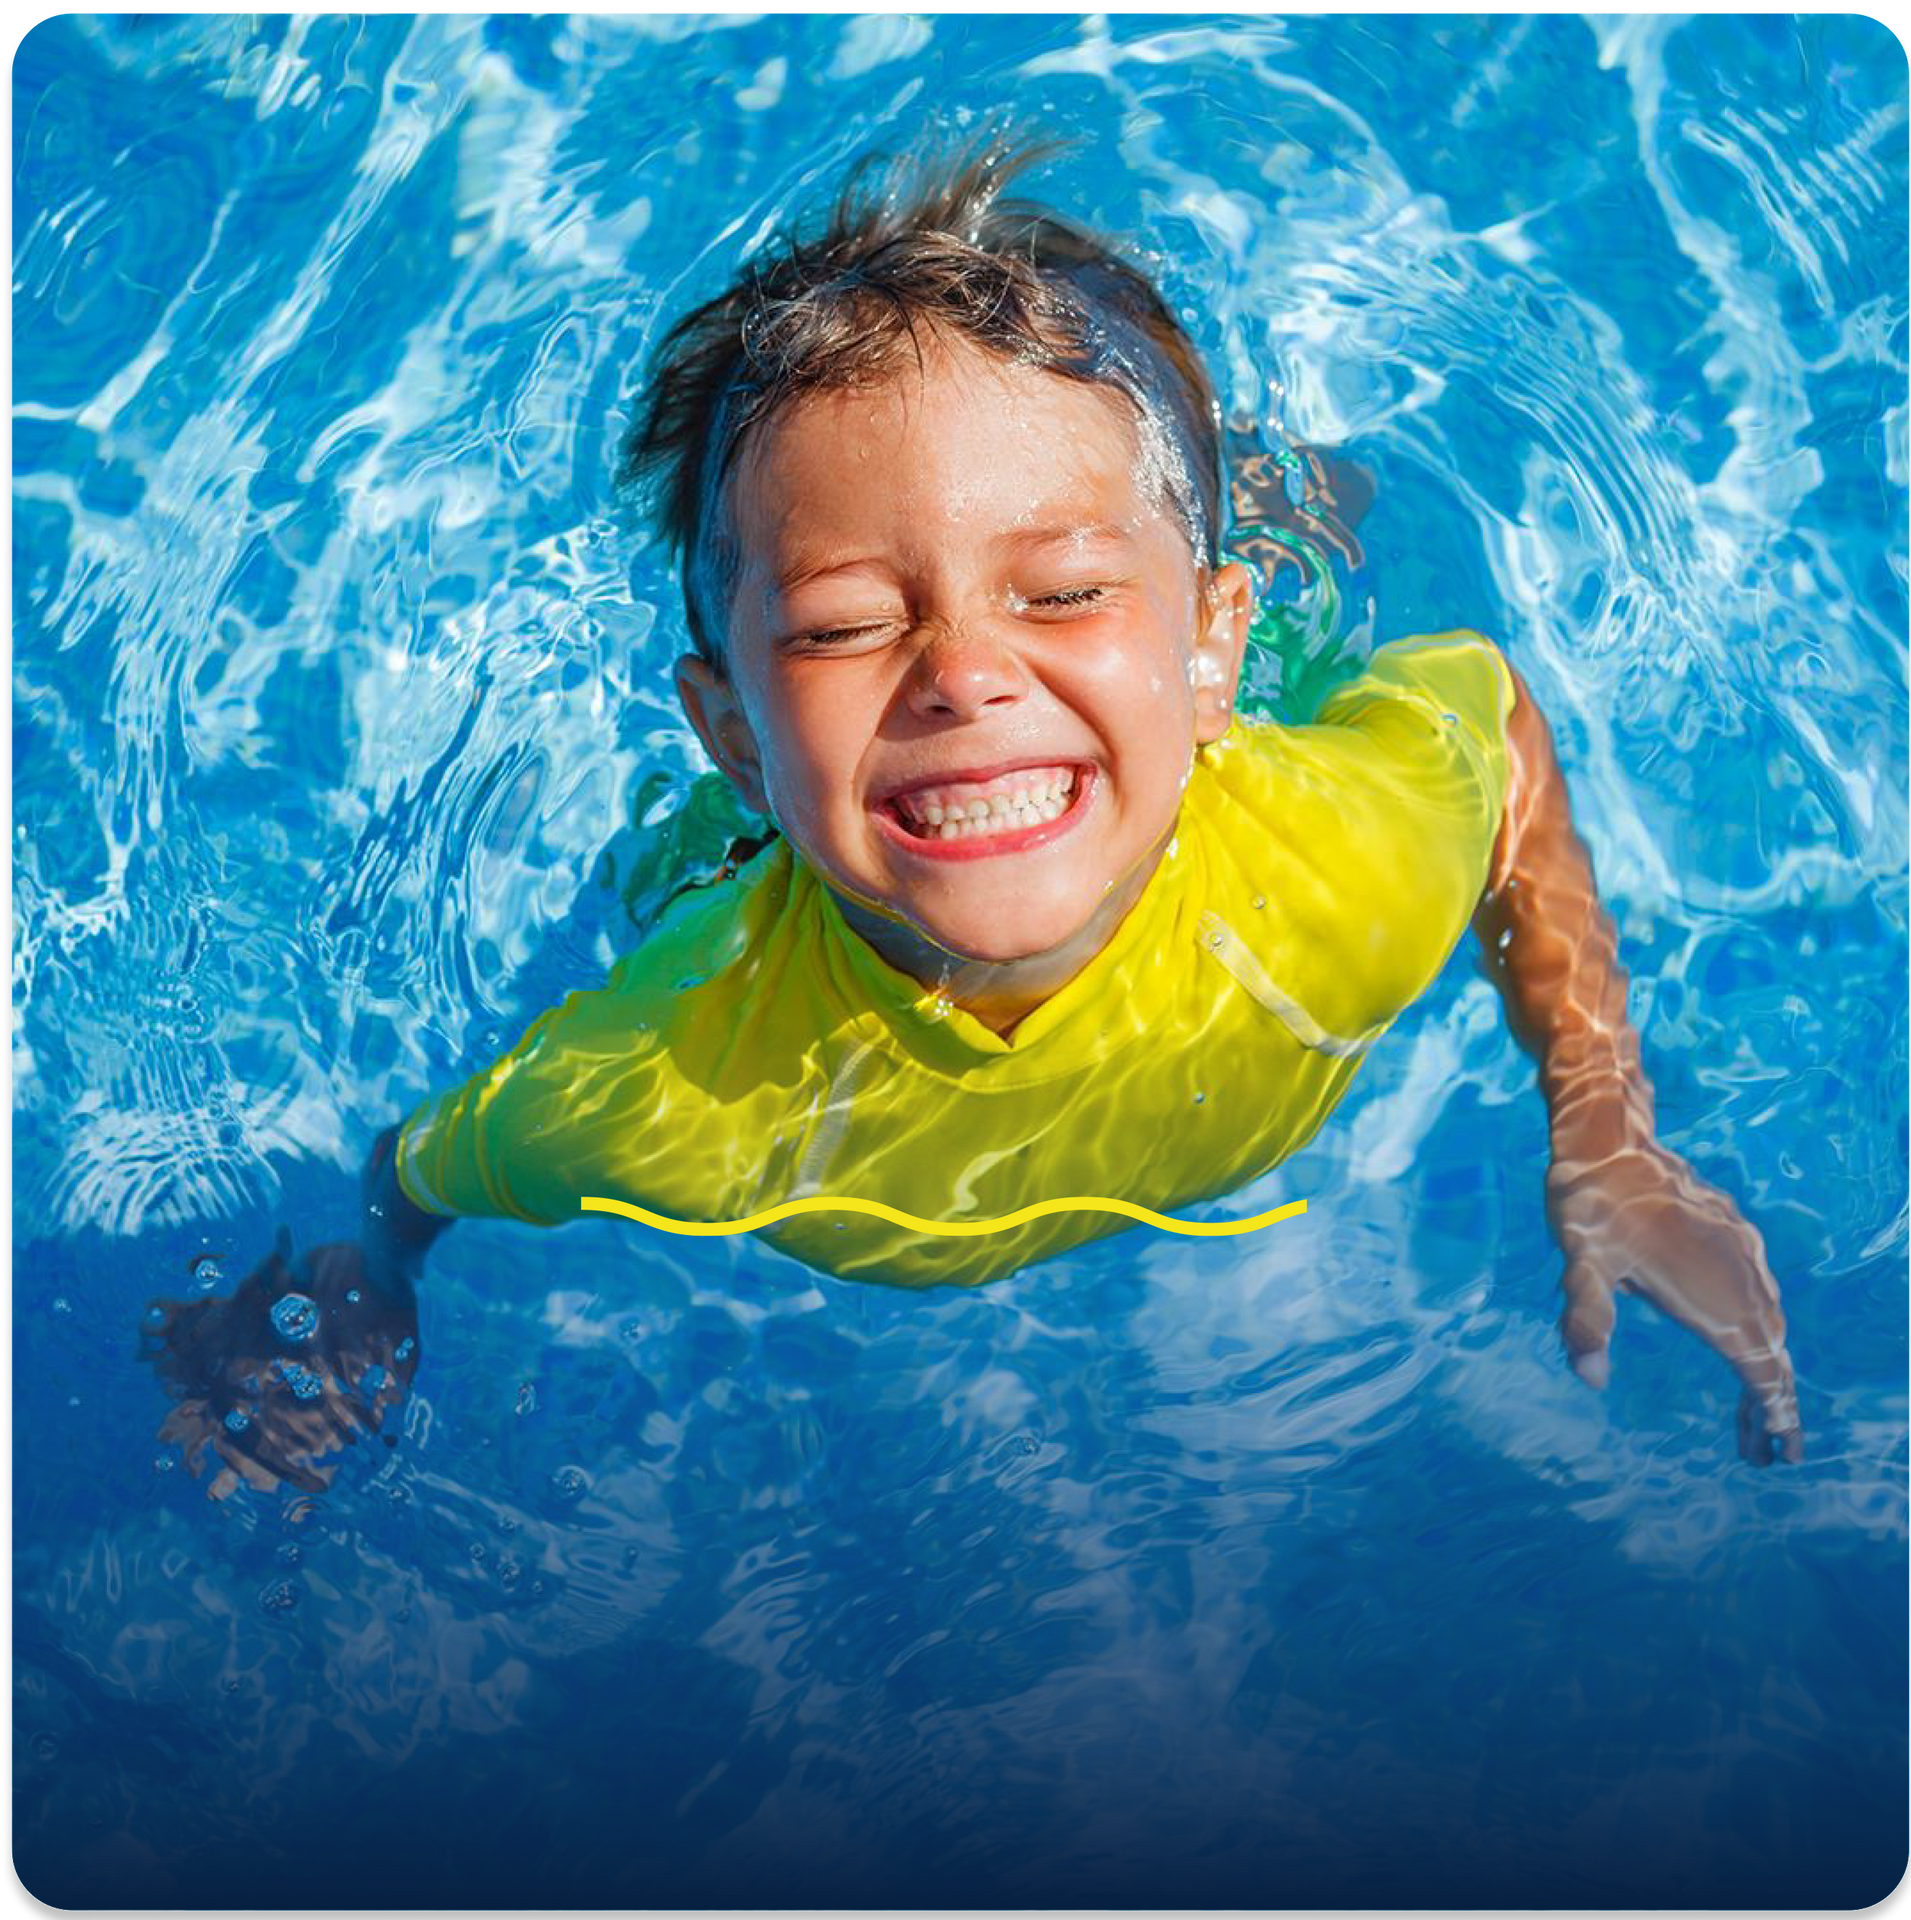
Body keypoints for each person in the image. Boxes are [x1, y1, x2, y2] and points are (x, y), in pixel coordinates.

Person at [143, 137, 1801, 1500]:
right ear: (724, 719)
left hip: (1233, 719)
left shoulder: (1341, 870)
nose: (962, 674)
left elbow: (1493, 718)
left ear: (1201, 652)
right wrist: (361, 1288)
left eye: (1059, 589)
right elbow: (415, 1173)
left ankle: (1256, 531)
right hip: (749, 867)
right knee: (669, 873)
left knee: (1310, 545)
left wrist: (1604, 1130)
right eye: (848, 622)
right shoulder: (668, 1079)